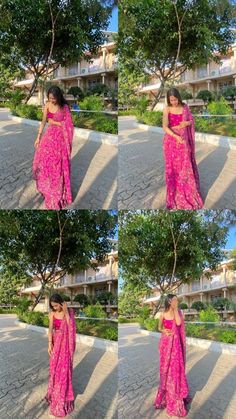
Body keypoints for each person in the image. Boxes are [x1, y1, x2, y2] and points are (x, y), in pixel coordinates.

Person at [33, 86, 74, 209]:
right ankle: (47, 188)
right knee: (44, 162)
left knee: (57, 165)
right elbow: (44, 122)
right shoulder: (47, 105)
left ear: (58, 96)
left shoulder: (64, 107)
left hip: (60, 140)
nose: (52, 100)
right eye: (50, 98)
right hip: (49, 137)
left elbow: (69, 124)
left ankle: (57, 193)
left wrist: (55, 122)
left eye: (54, 98)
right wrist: (38, 137)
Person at [163, 88, 204, 209]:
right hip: (171, 141)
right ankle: (174, 195)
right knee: (173, 168)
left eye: (175, 99)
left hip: (184, 141)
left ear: (178, 97)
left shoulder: (185, 107)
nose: (174, 102)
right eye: (171, 100)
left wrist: (186, 123)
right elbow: (165, 127)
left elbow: (191, 120)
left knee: (185, 167)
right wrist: (176, 136)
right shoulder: (167, 109)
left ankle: (188, 193)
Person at [154, 294, 190, 417]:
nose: (176, 301)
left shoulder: (178, 312)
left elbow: (179, 324)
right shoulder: (162, 314)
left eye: (176, 299)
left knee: (175, 370)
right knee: (165, 369)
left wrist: (175, 309)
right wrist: (163, 330)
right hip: (165, 344)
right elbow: (159, 327)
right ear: (169, 301)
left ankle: (176, 397)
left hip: (175, 346)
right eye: (174, 299)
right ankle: (165, 395)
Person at [45, 294, 76, 417]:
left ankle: (62, 397)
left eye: (57, 305)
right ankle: (54, 393)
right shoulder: (52, 314)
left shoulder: (69, 312)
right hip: (56, 344)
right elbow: (50, 329)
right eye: (53, 306)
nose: (55, 308)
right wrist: (49, 344)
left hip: (65, 347)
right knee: (54, 369)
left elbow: (71, 327)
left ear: (61, 303)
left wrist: (66, 313)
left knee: (63, 371)